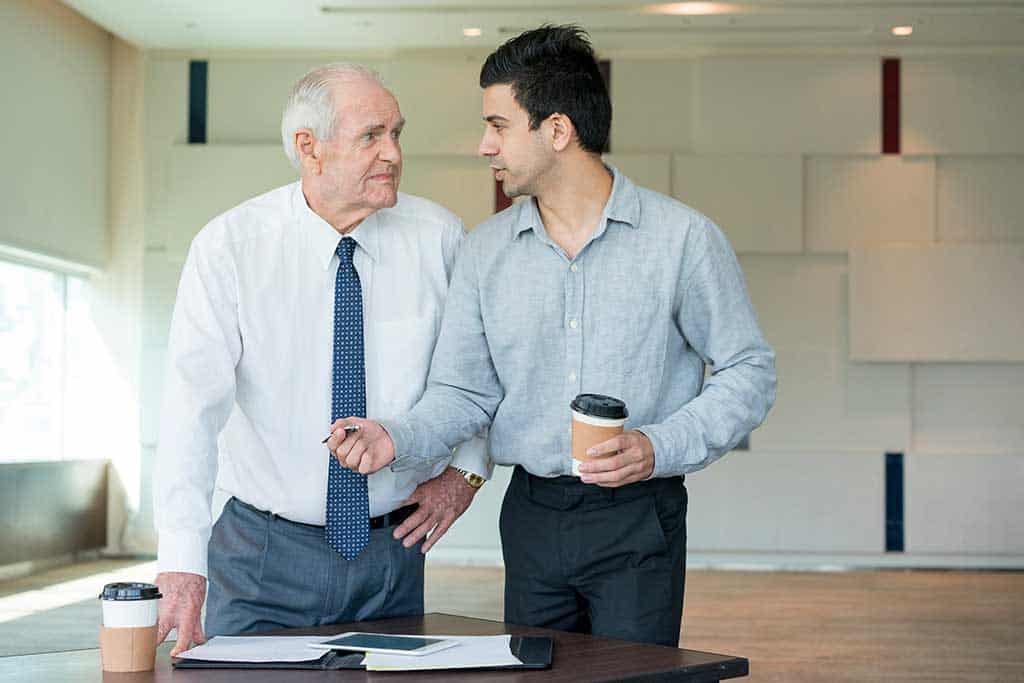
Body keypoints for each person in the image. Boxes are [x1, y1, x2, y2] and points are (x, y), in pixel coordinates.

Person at [327, 27, 777, 647]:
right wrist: (394, 435)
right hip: (532, 516)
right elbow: (463, 392)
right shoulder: (485, 252)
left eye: (498, 125)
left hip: (639, 514)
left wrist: (660, 445)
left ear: (557, 130)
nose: (485, 146)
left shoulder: (683, 241)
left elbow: (749, 370)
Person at [152, 63, 490, 656]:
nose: (393, 153)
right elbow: (190, 410)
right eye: (372, 136)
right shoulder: (231, 246)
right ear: (309, 149)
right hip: (261, 555)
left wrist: (465, 473)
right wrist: (181, 558)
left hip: (392, 553)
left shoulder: (439, 237)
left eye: (397, 134)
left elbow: (475, 376)